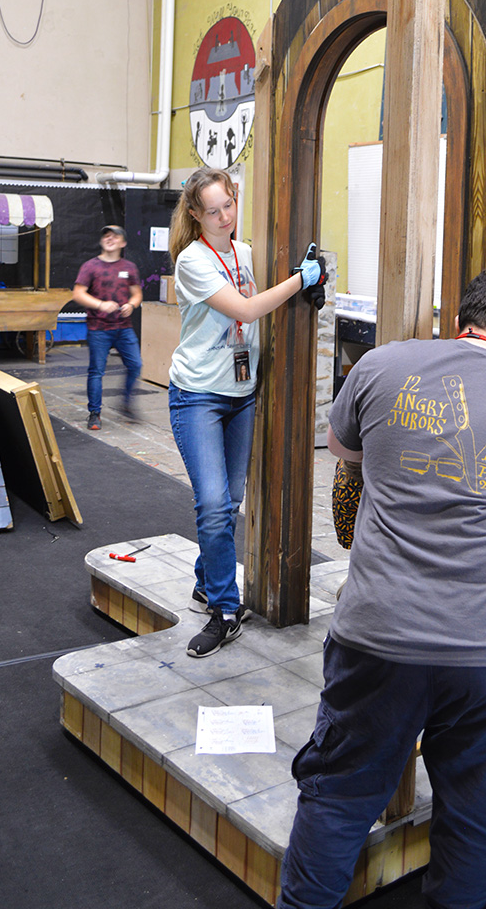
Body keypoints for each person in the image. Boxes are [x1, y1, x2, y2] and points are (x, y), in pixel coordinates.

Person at [277, 267, 486, 909]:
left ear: (461, 317)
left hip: (381, 633)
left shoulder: (380, 366)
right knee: (478, 814)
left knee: (340, 794)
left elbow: (345, 458)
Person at [167, 166, 325, 659]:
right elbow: (247, 310)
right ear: (195, 214)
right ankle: (225, 610)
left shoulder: (245, 253)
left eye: (228, 206)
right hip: (197, 396)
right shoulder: (193, 260)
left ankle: (203, 580)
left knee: (229, 503)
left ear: (236, 199)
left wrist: (310, 286)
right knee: (213, 504)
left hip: (242, 395)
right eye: (211, 211)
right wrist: (300, 281)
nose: (223, 217)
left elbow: (265, 299)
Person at [73, 224, 143, 430]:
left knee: (136, 365)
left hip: (124, 327)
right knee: (96, 371)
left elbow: (137, 293)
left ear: (123, 243)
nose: (110, 238)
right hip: (99, 329)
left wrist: (132, 304)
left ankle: (126, 403)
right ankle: (95, 413)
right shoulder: (90, 266)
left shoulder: (129, 267)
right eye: (106, 235)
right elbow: (78, 293)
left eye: (115, 236)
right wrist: (100, 304)